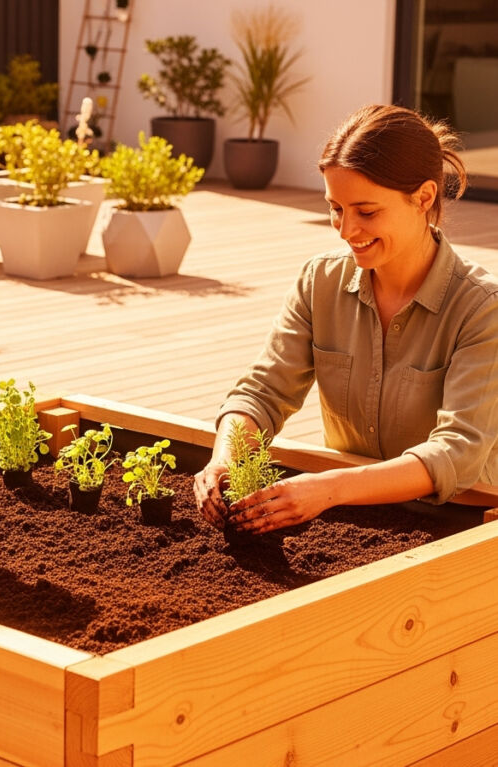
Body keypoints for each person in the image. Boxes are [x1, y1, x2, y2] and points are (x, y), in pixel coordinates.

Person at [194, 104, 498, 534]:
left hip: (462, 524)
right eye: (335, 208)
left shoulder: (482, 307)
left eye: (366, 211)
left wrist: (327, 489)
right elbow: (262, 393)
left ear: (425, 197)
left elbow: (457, 452)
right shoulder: (320, 283)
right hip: (349, 521)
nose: (345, 229)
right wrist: (224, 458)